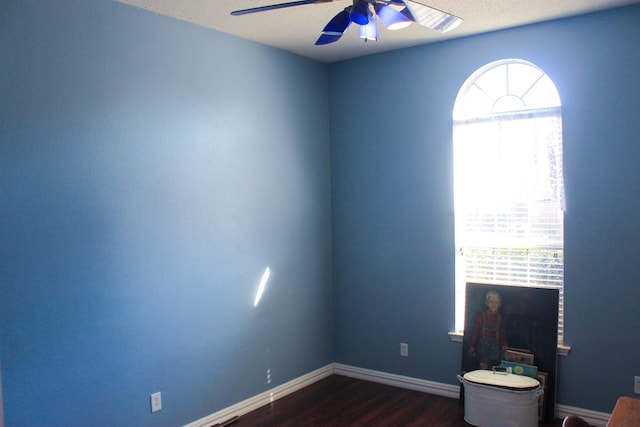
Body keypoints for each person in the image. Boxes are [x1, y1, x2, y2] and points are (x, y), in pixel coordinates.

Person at [468, 290, 508, 370]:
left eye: (496, 302)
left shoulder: (500, 319)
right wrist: (472, 345)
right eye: (491, 302)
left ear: (499, 304)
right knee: (483, 365)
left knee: (493, 367)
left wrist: (505, 347)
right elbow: (476, 331)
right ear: (487, 302)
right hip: (483, 346)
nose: (494, 304)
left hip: (494, 348)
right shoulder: (481, 317)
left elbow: (502, 335)